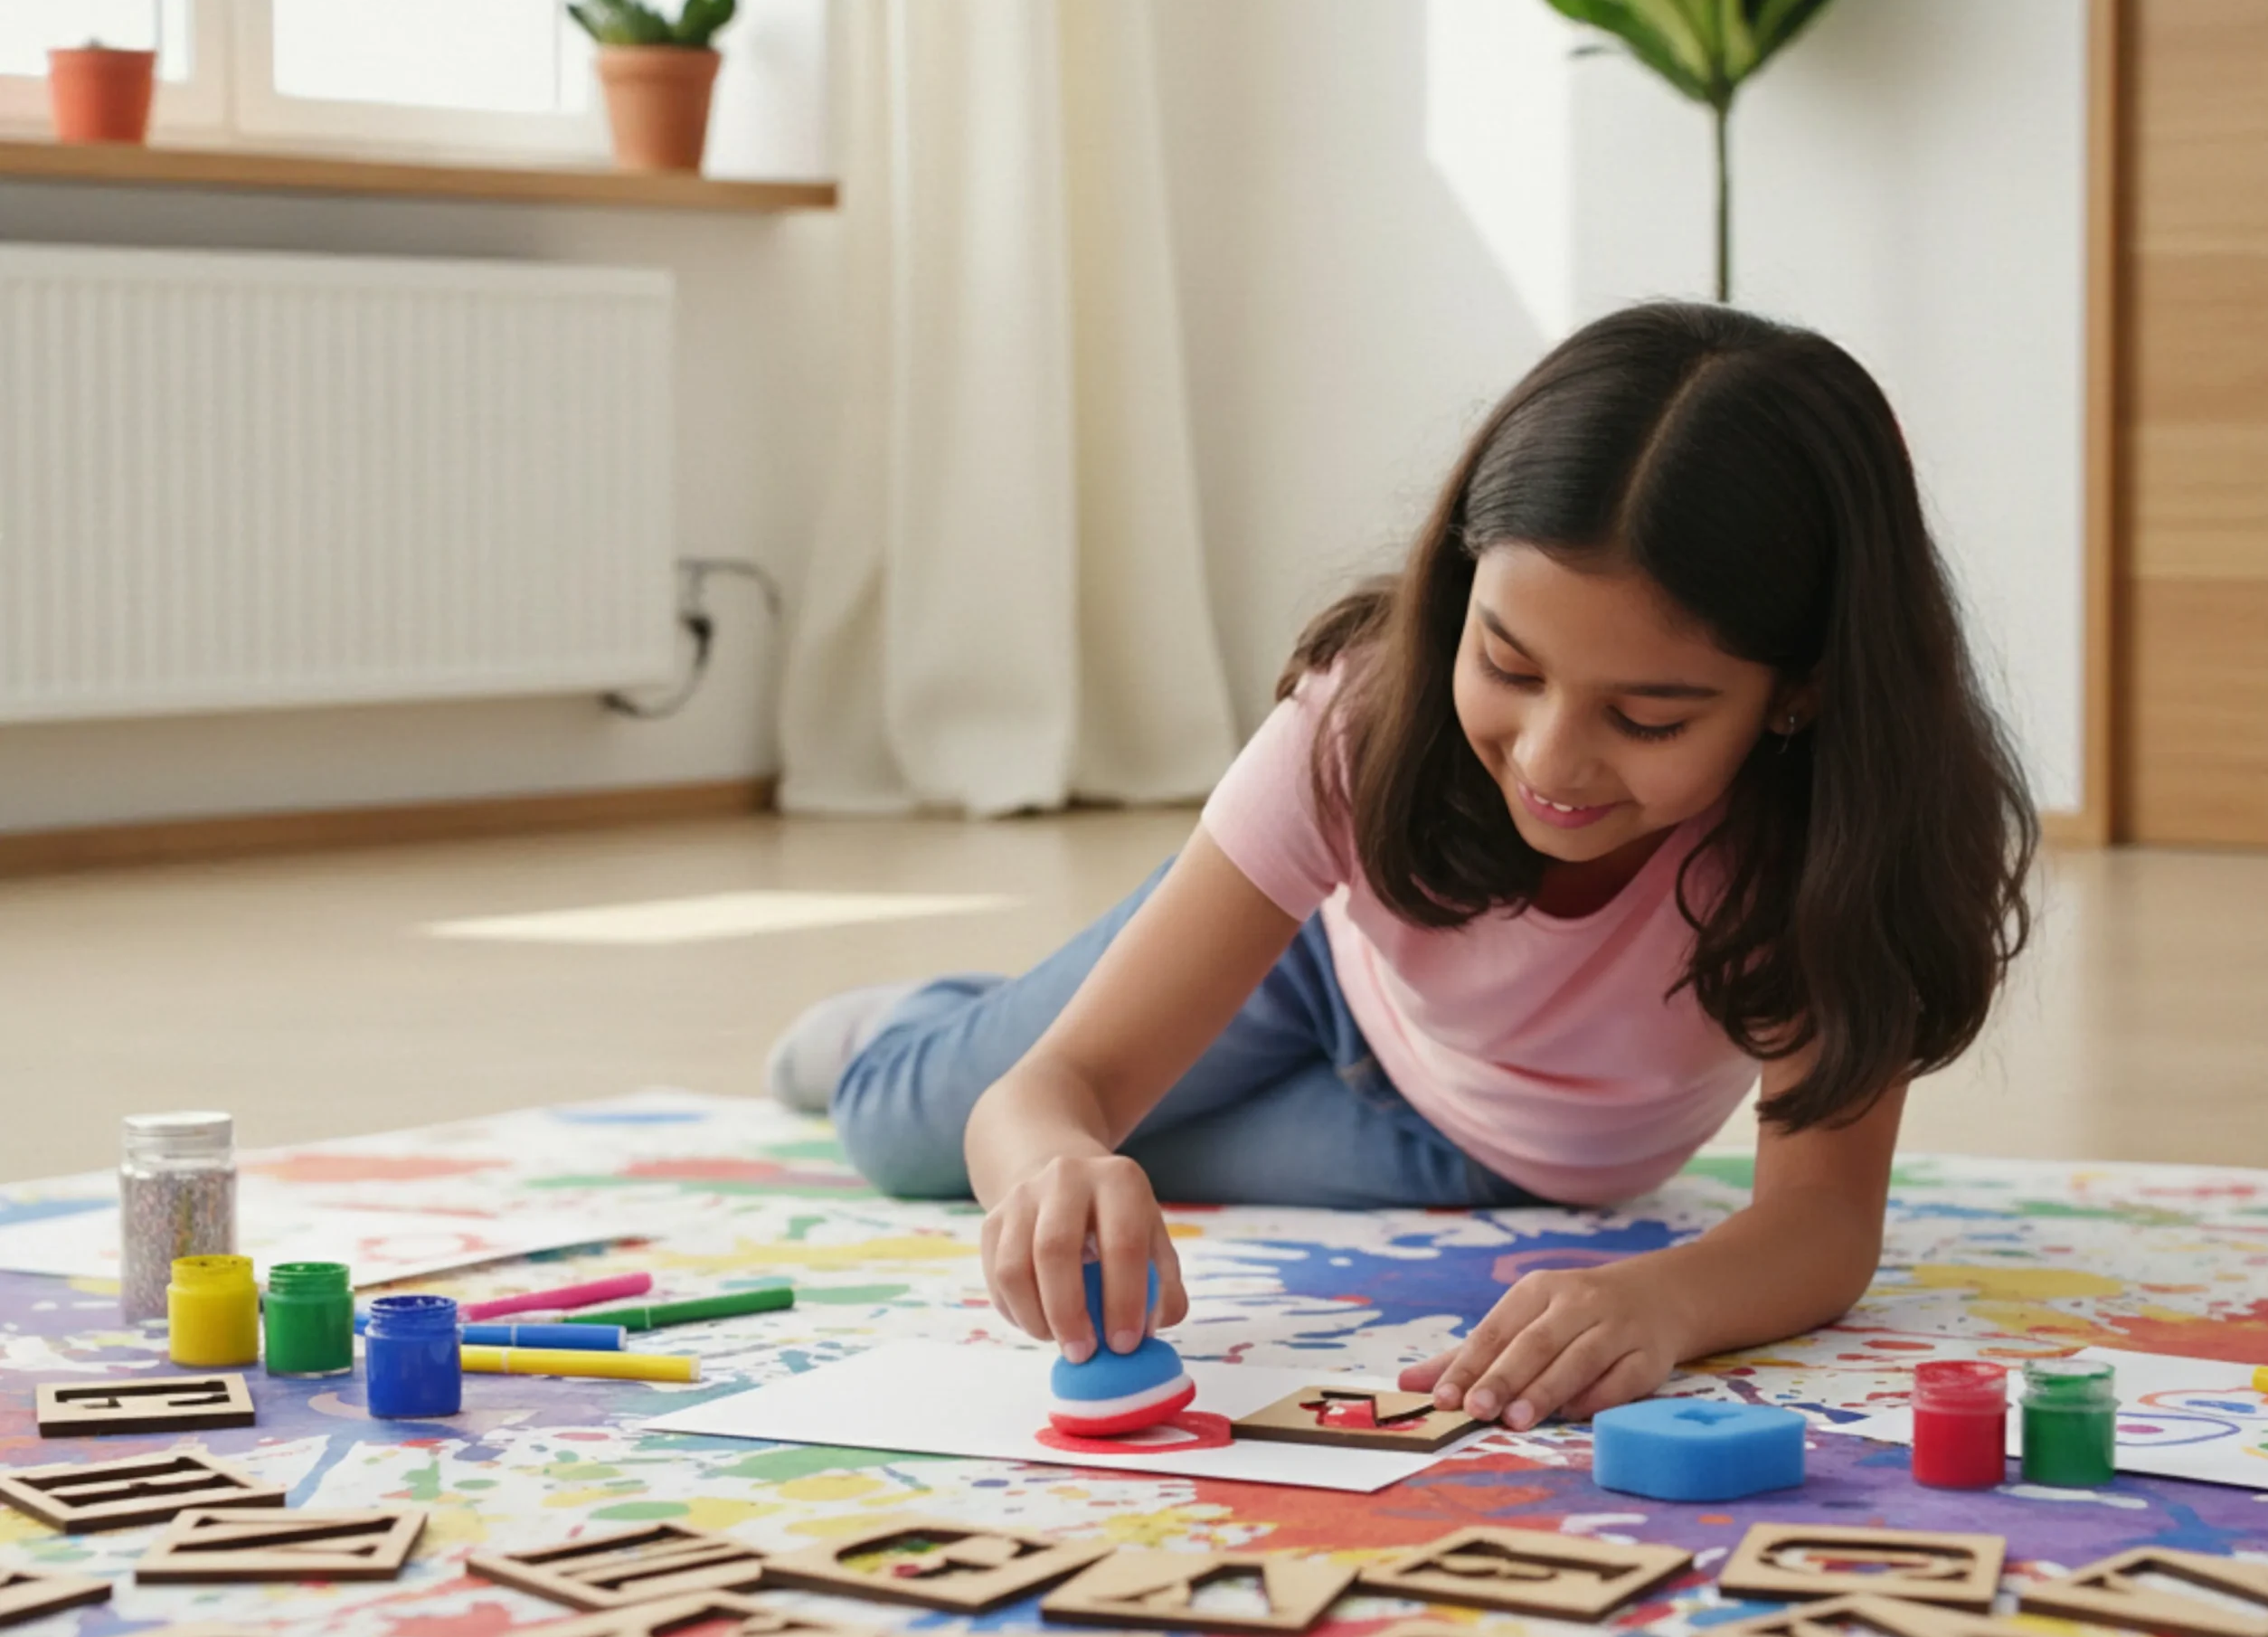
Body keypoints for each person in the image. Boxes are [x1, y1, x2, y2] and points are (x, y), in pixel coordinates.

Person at [769, 302, 2035, 1428]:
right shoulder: (1365, 720)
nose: (1552, 758)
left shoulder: (1830, 844)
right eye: (1510, 664)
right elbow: (1062, 1087)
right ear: (1460, 587)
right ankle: (914, 1023)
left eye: (1648, 719)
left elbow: (1819, 1220)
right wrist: (1057, 1161)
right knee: (916, 1135)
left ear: (1800, 694)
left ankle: (992, 1021)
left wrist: (1666, 1300)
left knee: (1142, 1177)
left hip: (1476, 1148)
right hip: (1303, 954)